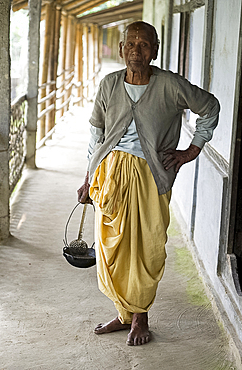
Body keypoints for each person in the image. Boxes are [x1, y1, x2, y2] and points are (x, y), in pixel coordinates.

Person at [77, 21, 220, 346]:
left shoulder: (170, 85)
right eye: (130, 44)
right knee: (112, 248)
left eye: (144, 45)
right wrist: (88, 176)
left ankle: (140, 317)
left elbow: (210, 107)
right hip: (109, 174)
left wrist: (190, 151)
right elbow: (96, 134)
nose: (136, 51)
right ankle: (123, 312)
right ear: (121, 49)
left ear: (154, 50)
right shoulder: (109, 85)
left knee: (146, 248)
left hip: (150, 176)